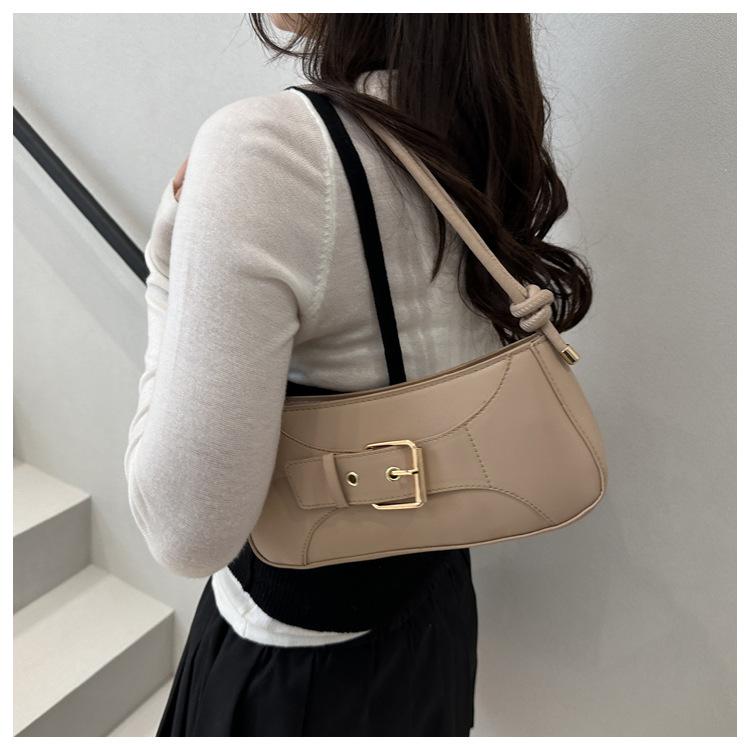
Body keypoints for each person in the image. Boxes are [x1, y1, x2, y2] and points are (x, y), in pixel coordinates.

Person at [123, 13, 593, 737]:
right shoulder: (478, 124)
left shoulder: (268, 150)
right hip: (436, 616)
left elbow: (184, 534)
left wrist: (163, 271)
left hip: (296, 678)